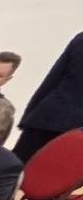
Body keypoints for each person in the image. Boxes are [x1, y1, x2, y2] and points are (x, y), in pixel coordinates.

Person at [15, 32, 83, 162]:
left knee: (15, 172)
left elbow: (52, 80)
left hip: (47, 119)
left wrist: (29, 116)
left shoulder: (80, 38)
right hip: (73, 133)